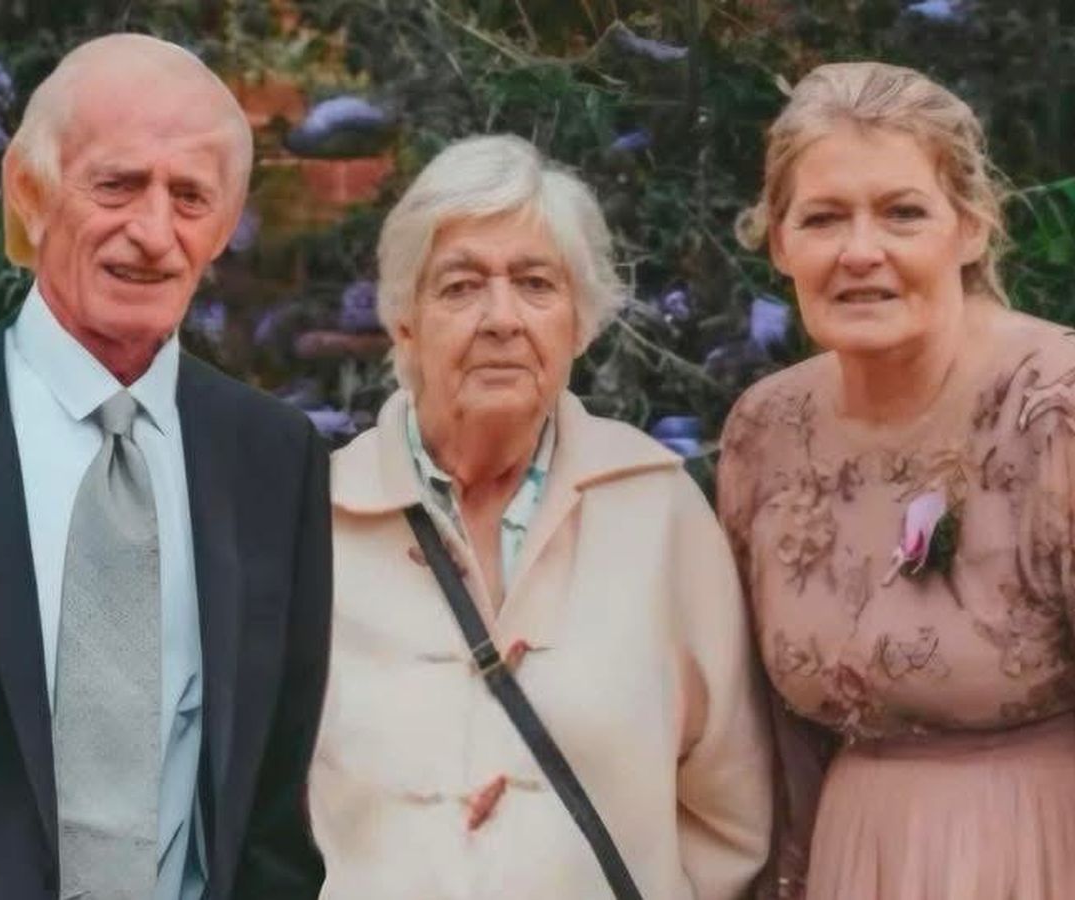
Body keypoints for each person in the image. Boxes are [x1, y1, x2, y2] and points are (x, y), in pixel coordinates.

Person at [0, 34, 331, 899]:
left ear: (225, 226)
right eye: (117, 185)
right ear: (30, 188)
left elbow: (271, 814)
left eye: (190, 197)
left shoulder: (274, 458)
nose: (153, 234)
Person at [309, 133, 772, 899]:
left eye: (535, 284)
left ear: (579, 321)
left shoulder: (656, 510)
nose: (502, 318)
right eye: (460, 286)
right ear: (404, 322)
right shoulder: (318, 521)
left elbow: (731, 805)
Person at [720, 61, 1075, 899]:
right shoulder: (765, 432)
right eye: (823, 218)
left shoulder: (1053, 413)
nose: (860, 252)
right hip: (853, 862)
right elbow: (771, 741)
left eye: (903, 213)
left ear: (971, 229)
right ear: (780, 243)